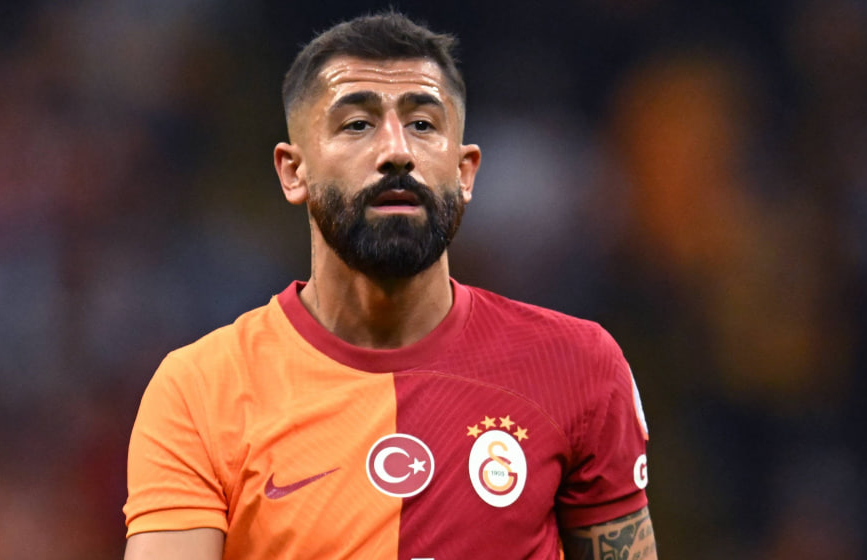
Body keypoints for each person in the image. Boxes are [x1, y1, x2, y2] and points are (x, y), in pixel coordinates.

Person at [122, 11, 657, 560]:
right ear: (293, 172)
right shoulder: (200, 391)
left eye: (423, 124)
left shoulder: (577, 366)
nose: (397, 151)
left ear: (465, 172)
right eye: (357, 124)